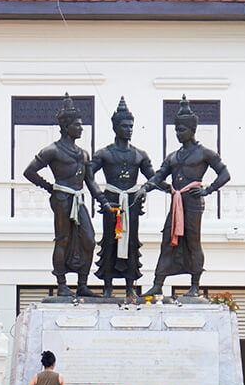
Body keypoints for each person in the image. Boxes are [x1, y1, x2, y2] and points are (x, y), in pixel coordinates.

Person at [140, 96, 230, 298]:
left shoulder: (205, 153)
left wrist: (208, 189)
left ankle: (195, 285)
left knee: (193, 242)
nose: (178, 134)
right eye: (176, 131)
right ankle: (157, 284)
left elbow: (225, 174)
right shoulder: (173, 156)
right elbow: (159, 176)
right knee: (167, 241)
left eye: (181, 130)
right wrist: (145, 188)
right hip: (177, 203)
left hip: (193, 202)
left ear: (192, 129)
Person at [24, 94, 104, 298]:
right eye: (77, 125)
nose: (81, 128)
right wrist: (49, 187)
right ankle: (61, 283)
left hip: (78, 199)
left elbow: (90, 181)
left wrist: (103, 200)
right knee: (63, 239)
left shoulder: (83, 153)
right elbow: (29, 171)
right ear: (66, 126)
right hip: (62, 198)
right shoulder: (52, 150)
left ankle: (82, 284)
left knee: (89, 239)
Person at [91, 97, 154, 300]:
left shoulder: (139, 155)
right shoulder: (104, 154)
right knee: (110, 241)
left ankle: (130, 286)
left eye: (131, 126)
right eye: (125, 126)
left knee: (131, 242)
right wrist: (101, 198)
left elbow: (154, 178)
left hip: (132, 203)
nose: (129, 129)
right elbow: (87, 176)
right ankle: (107, 286)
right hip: (111, 202)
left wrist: (146, 188)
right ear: (115, 127)